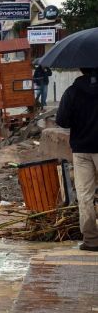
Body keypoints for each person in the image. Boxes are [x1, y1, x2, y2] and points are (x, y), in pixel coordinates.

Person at [55, 68, 98, 251]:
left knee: (85, 196)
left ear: (81, 68)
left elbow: (62, 121)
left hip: (81, 150)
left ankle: (91, 240)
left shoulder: (72, 91)